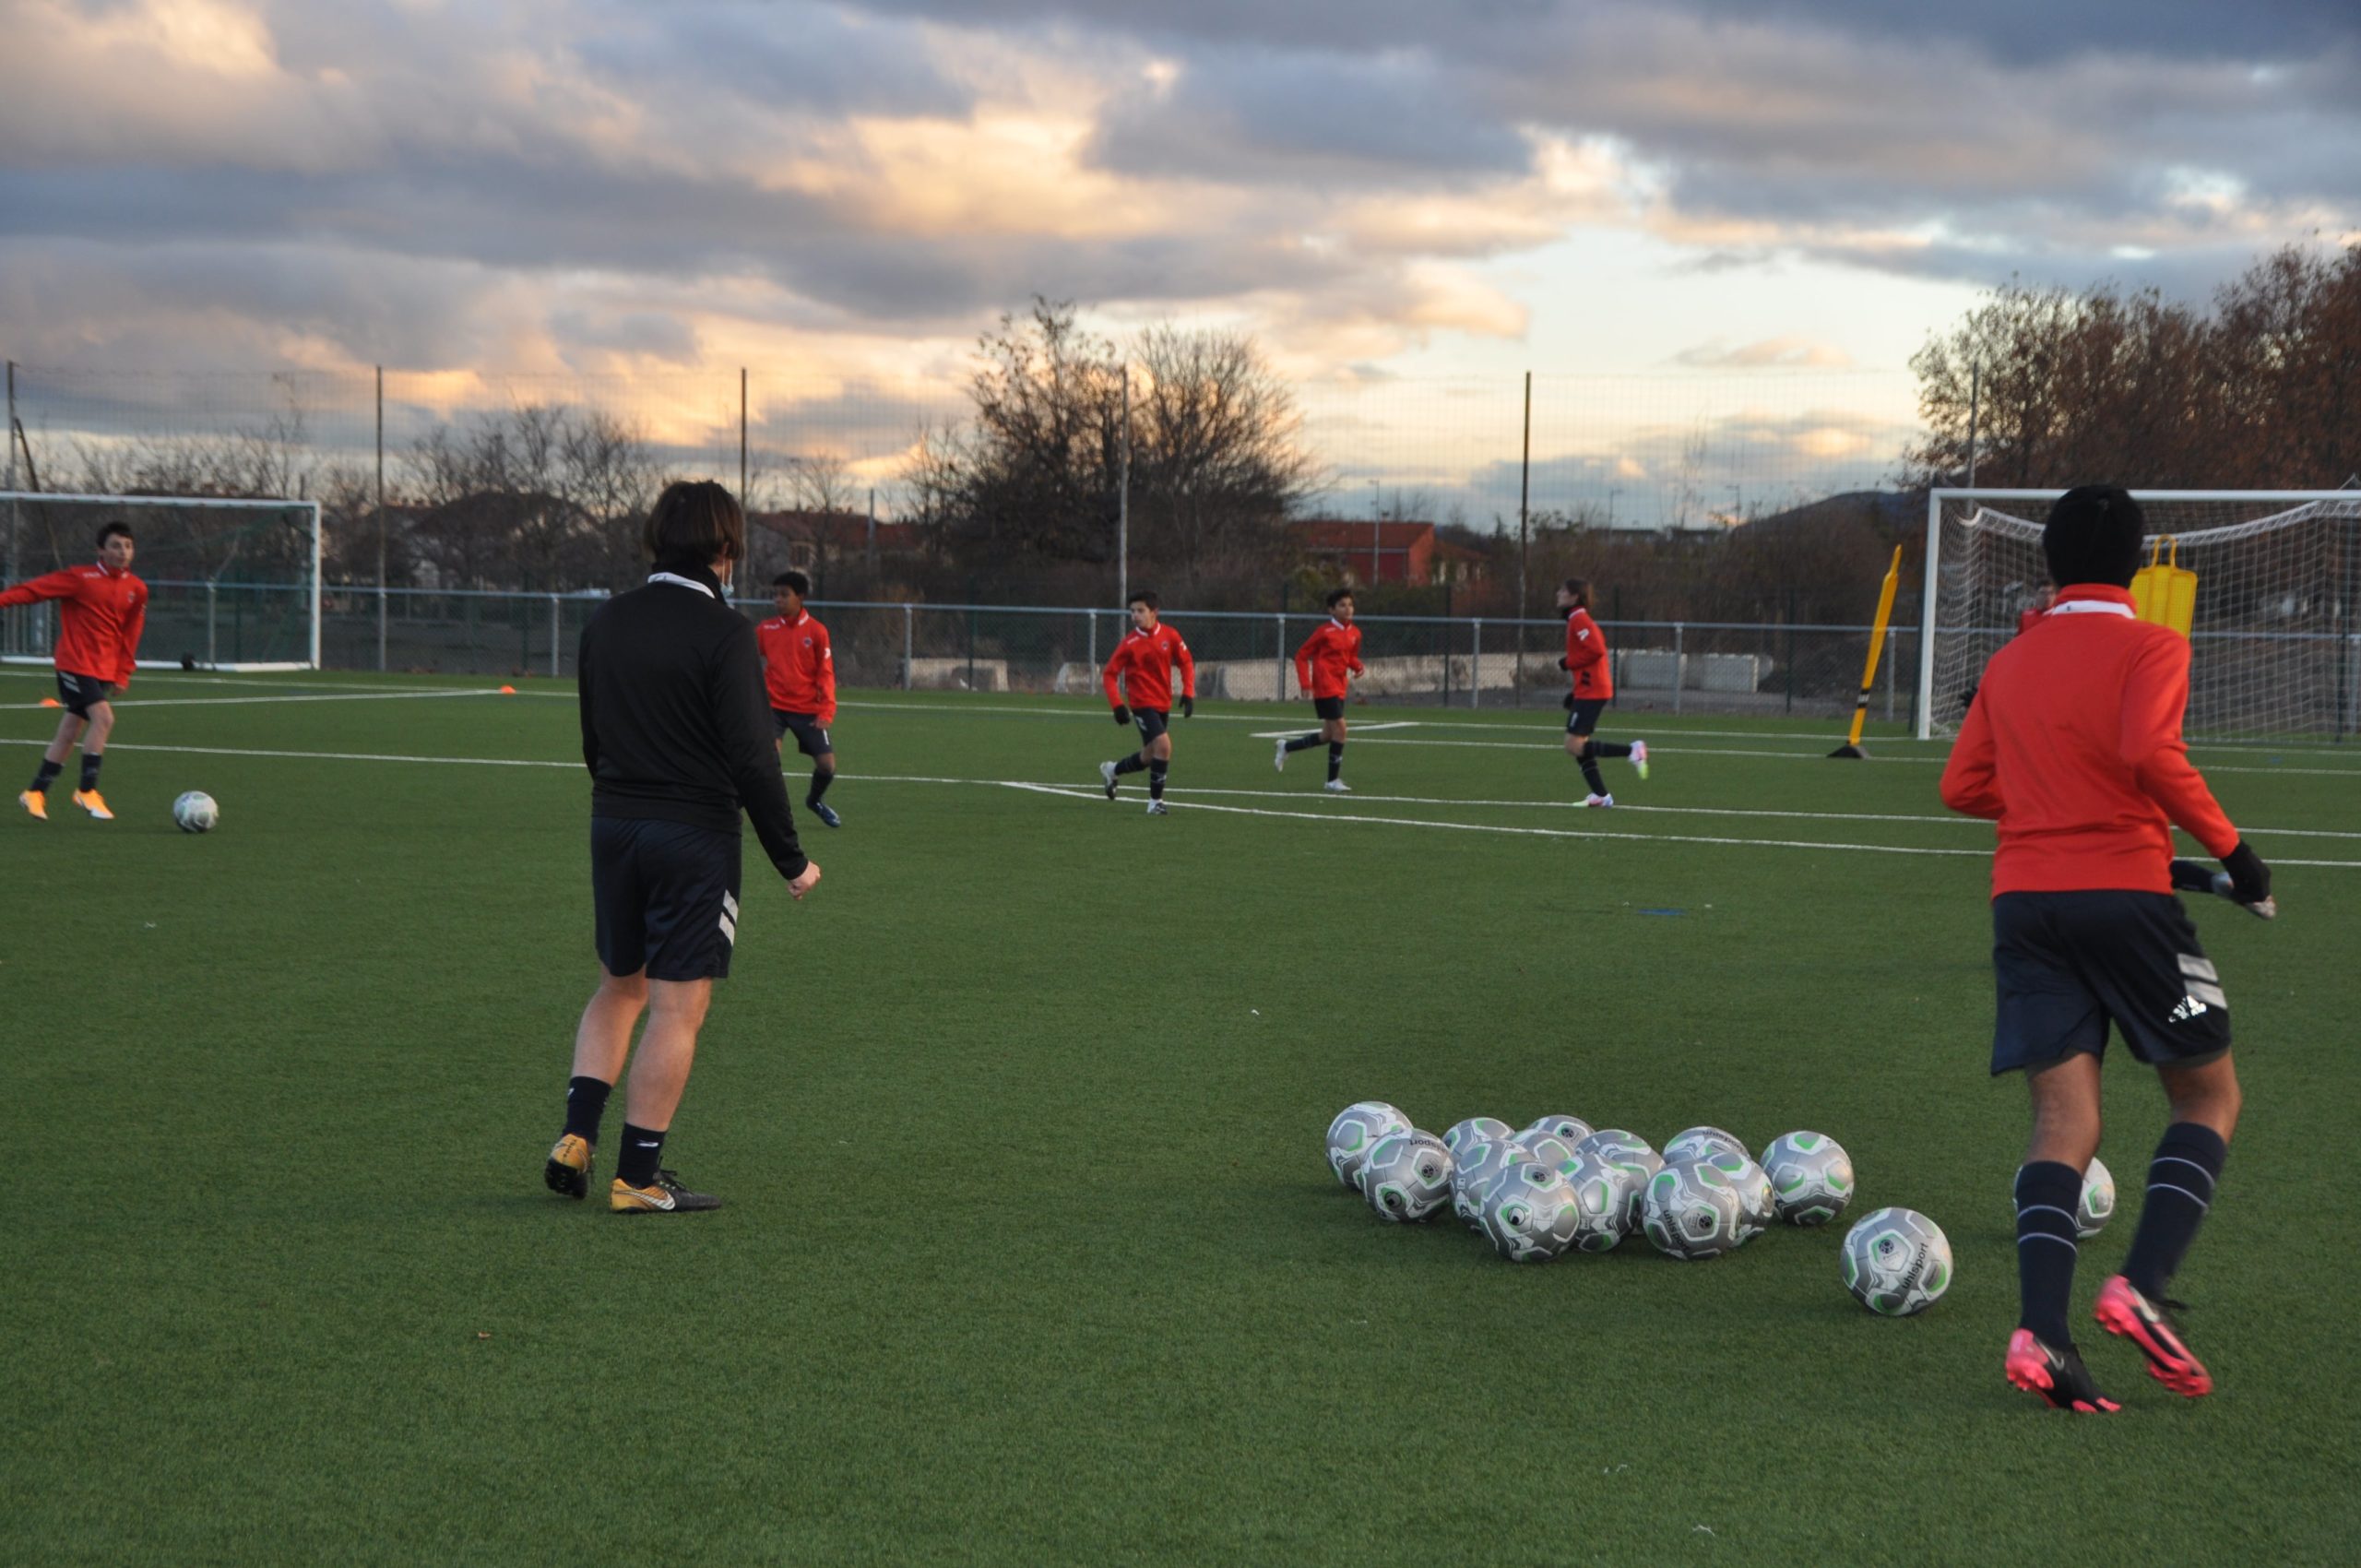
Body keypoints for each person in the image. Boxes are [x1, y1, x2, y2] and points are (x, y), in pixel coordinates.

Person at [1939, 483, 2272, 1412]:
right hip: (2125, 901)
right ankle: (2141, 1288)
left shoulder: (2011, 660)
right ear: (2134, 565)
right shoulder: (2153, 645)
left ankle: (2043, 1336)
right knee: (2207, 1094)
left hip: (2024, 905)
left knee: (2063, 1121)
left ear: (2048, 561)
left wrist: (2049, 804)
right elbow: (2149, 753)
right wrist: (2236, 857)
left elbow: (1961, 786)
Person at [547, 481, 822, 1216]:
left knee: (619, 985)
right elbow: (753, 758)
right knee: (678, 1005)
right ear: (725, 548)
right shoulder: (725, 632)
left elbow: (593, 739)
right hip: (693, 835)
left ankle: (575, 1136)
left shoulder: (607, 619)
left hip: (614, 824)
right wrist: (791, 859)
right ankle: (637, 1177)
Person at [4, 520, 148, 822]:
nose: (123, 551)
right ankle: (86, 790)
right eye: (115, 545)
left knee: (69, 732)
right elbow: (34, 591)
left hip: (103, 669)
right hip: (74, 663)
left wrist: (123, 672)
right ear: (100, 550)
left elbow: (131, 632)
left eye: (128, 546)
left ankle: (35, 792)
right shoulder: (80, 578)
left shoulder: (137, 589)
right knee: (104, 718)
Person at [1097, 588, 1195, 815]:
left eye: (1140, 611)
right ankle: (1155, 802)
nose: (1135, 616)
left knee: (1150, 755)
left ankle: (1112, 770)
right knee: (1164, 746)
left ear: (1154, 612)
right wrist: (1117, 705)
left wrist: (1188, 692)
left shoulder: (1170, 635)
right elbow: (1109, 674)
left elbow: (1186, 662)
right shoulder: (1129, 643)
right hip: (1142, 704)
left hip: (1163, 703)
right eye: (1132, 611)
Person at [757, 569, 841, 829]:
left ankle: (814, 801)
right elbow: (743, 656)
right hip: (773, 707)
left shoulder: (816, 631)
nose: (778, 600)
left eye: (784, 595)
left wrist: (826, 710)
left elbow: (825, 673)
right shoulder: (766, 629)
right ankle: (769, 812)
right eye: (775, 595)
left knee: (827, 766)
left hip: (807, 709)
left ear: (800, 597)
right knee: (769, 761)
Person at [1556, 578, 1647, 806]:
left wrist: (1568, 662)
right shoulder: (1575, 619)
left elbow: (1596, 649)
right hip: (1588, 689)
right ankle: (1601, 795)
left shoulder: (1579, 619)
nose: (1558, 593)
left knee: (1574, 745)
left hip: (1593, 690)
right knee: (1577, 745)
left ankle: (1632, 751)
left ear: (1574, 596)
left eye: (1563, 591)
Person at [1276, 588, 1364, 792]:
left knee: (1328, 735)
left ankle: (1286, 747)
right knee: (1341, 730)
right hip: (1325, 686)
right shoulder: (1324, 632)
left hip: (1340, 686)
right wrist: (1306, 684)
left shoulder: (1355, 633)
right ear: (1331, 610)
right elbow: (1301, 655)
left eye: (1350, 605)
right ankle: (1332, 781)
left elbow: (1349, 656)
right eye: (1342, 605)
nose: (1348, 609)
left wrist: (1357, 666)